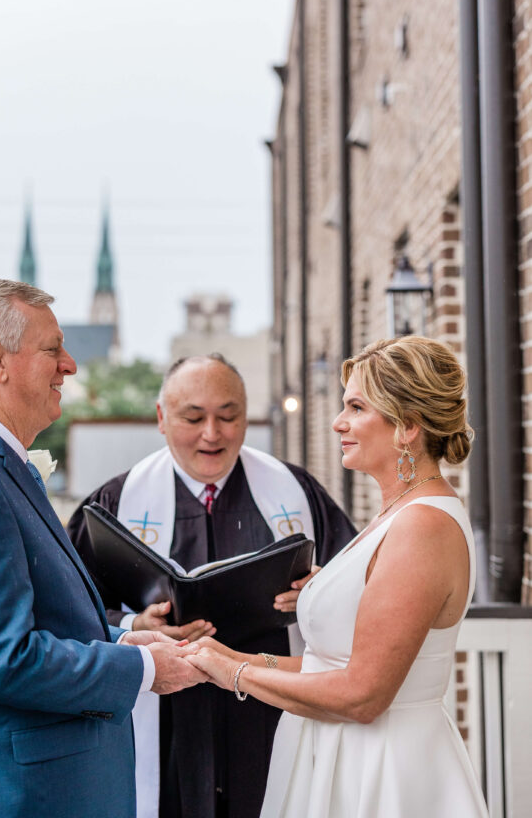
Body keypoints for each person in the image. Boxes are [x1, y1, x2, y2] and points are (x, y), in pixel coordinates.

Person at [0, 280, 204, 818]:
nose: (71, 366)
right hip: (11, 793)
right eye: (52, 349)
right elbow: (2, 661)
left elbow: (36, 622)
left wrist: (128, 637)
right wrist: (145, 671)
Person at [188, 336, 489, 818]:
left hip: (378, 769)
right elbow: (329, 665)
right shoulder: (395, 513)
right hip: (334, 754)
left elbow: (363, 694)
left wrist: (235, 674)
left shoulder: (423, 527)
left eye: (355, 406)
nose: (338, 423)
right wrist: (232, 656)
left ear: (407, 425)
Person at [67, 353, 356, 818]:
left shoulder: (296, 492)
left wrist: (318, 594)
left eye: (228, 416)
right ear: (162, 418)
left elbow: (361, 589)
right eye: (194, 417)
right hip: (166, 716)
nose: (212, 434)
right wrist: (131, 622)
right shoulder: (117, 501)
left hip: (268, 707)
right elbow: (69, 611)